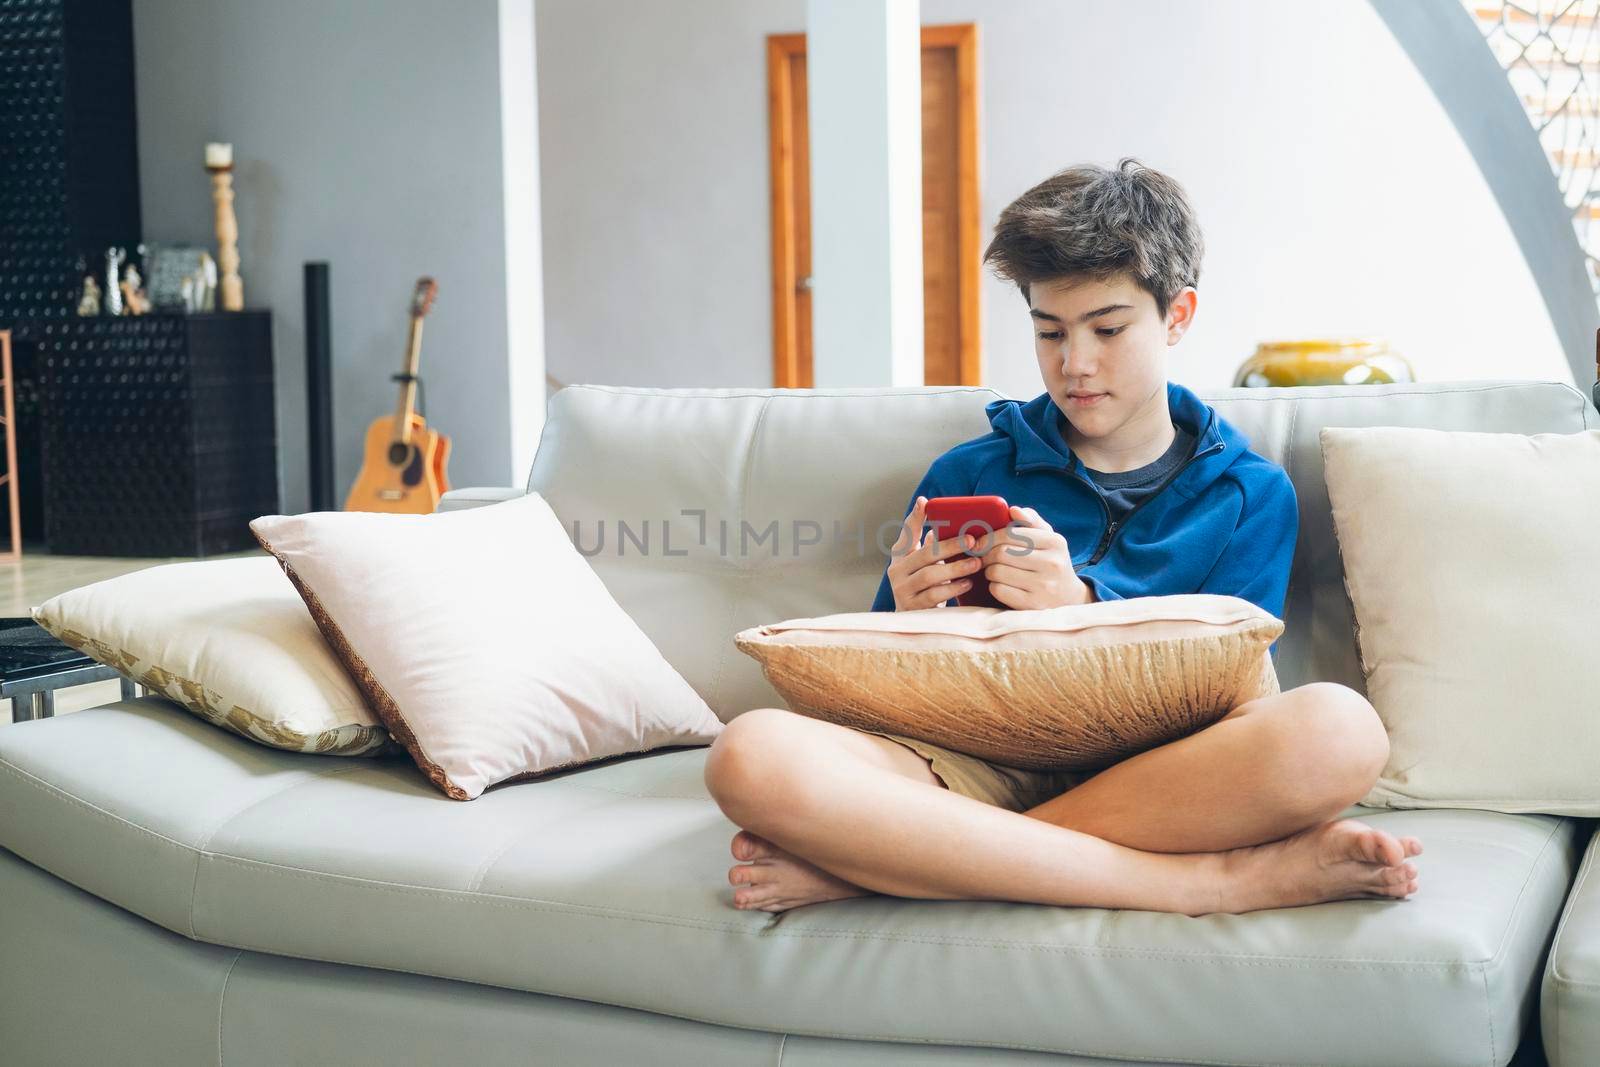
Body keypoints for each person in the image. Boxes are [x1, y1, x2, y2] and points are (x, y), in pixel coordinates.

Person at [703, 158, 1420, 916]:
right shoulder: (966, 471)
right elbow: (877, 696)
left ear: (1177, 315)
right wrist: (904, 613)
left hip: (1163, 780)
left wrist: (1080, 603)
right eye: (1050, 332)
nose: (1074, 364)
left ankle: (895, 865)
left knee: (1341, 730)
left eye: (1107, 329)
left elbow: (1234, 687)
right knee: (750, 754)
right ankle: (1206, 883)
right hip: (965, 762)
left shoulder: (1249, 494)